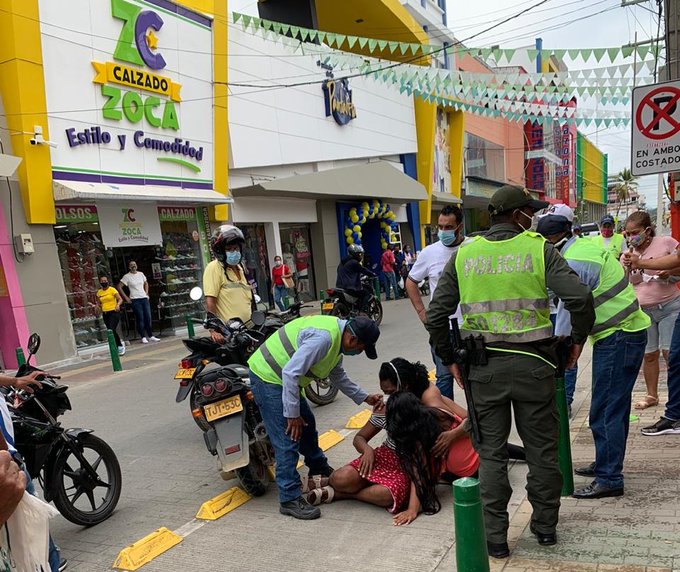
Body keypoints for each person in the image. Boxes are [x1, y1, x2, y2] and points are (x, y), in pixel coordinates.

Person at [426, 185, 595, 559]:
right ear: (518, 215)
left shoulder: (465, 253)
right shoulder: (539, 248)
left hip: (484, 372)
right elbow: (580, 298)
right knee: (542, 453)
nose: (531, 216)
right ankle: (546, 529)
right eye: (528, 211)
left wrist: (448, 358)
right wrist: (578, 340)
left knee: (492, 456)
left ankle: (497, 540)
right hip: (536, 367)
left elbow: (437, 315)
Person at [537, 211, 649, 501]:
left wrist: (564, 348)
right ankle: (606, 464)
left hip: (619, 335)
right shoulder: (582, 247)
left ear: (551, 242)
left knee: (605, 410)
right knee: (614, 408)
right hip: (623, 332)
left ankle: (609, 478)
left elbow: (566, 311)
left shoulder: (571, 261)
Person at [247, 315, 383, 520]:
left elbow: (338, 376)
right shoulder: (324, 339)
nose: (359, 352)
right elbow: (290, 373)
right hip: (269, 378)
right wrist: (292, 415)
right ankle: (289, 498)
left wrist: (365, 397)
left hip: (285, 380)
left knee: (307, 425)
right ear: (352, 340)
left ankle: (318, 467)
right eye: (361, 348)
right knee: (288, 437)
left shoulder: (337, 343)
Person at [0, 371, 66, 571]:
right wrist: (9, 457)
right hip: (7, 465)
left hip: (9, 461)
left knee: (35, 523)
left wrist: (15, 380)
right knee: (33, 527)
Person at [405, 205, 464, 399]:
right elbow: (411, 281)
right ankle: (447, 421)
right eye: (440, 227)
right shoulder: (429, 253)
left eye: (449, 227)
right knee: (445, 378)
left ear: (459, 226)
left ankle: (476, 420)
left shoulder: (471, 248)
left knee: (473, 377)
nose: (443, 232)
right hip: (441, 328)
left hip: (469, 327)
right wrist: (423, 314)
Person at [623, 211, 680, 410]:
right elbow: (628, 282)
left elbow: (678, 264)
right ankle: (651, 395)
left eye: (634, 232)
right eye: (627, 234)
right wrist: (629, 267)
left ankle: (676, 398)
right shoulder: (629, 254)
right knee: (649, 354)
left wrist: (669, 273)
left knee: (671, 354)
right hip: (643, 311)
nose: (631, 237)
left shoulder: (666, 243)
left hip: (669, 307)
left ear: (647, 231)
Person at [203, 225, 254, 343]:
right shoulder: (214, 268)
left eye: (236, 248)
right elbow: (210, 300)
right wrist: (214, 329)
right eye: (229, 249)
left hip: (248, 330)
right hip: (230, 333)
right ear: (220, 251)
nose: (234, 252)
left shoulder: (241, 268)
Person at [118, 261, 159, 344]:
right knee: (140, 318)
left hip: (144, 298)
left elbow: (146, 283)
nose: (133, 266)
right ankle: (143, 336)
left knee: (148, 317)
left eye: (135, 265)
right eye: (131, 265)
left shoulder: (141, 274)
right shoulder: (127, 276)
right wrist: (126, 297)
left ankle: (151, 335)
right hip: (135, 299)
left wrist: (146, 292)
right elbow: (119, 286)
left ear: (136, 266)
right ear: (129, 267)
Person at [335, 244, 376, 311]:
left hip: (339, 287)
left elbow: (349, 272)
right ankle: (362, 311)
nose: (361, 256)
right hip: (350, 287)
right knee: (366, 293)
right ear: (355, 254)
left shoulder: (342, 263)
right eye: (359, 254)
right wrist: (373, 274)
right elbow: (363, 270)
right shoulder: (354, 263)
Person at [96, 276, 125, 355]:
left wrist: (118, 305)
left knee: (111, 329)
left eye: (105, 280)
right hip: (105, 313)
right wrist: (97, 307)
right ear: (100, 282)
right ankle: (115, 347)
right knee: (110, 330)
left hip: (114, 312)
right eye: (102, 281)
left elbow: (120, 299)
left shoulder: (112, 290)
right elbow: (99, 302)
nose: (104, 282)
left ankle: (120, 345)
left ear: (107, 281)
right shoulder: (99, 292)